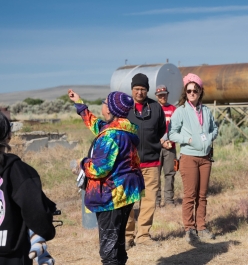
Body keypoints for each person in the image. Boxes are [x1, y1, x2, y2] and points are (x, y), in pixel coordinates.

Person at [68, 89, 145, 265]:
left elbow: (98, 169)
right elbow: (97, 125)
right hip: (126, 194)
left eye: (104, 103)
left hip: (112, 197)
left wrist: (82, 163)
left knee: (109, 250)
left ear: (109, 110)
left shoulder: (111, 136)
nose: (102, 106)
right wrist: (80, 104)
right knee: (117, 243)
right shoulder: (124, 130)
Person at [0, 112, 56, 265]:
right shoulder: (17, 171)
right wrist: (45, 231)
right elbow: (36, 212)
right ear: (7, 136)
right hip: (12, 256)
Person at [168, 73, 218, 242]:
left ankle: (201, 227)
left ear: (200, 91)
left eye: (195, 90)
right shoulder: (180, 112)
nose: (192, 93)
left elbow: (215, 128)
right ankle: (189, 229)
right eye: (189, 91)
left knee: (202, 195)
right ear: (185, 92)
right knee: (190, 194)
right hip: (188, 157)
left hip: (205, 158)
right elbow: (172, 133)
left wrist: (210, 138)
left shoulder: (206, 111)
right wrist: (187, 140)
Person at [125, 73, 166, 248]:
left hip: (151, 162)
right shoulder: (125, 108)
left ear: (147, 90)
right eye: (136, 89)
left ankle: (143, 235)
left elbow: (161, 129)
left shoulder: (156, 107)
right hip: (129, 164)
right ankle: (127, 236)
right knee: (128, 200)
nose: (139, 92)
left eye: (142, 89)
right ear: (132, 90)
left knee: (149, 200)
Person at [155, 84, 177, 207]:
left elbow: (176, 128)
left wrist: (170, 142)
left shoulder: (174, 109)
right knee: (155, 175)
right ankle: (157, 201)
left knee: (170, 173)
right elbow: (151, 129)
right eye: (160, 95)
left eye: (164, 95)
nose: (162, 97)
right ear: (157, 96)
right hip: (156, 147)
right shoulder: (152, 109)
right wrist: (160, 142)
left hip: (170, 146)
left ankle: (169, 200)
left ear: (167, 95)